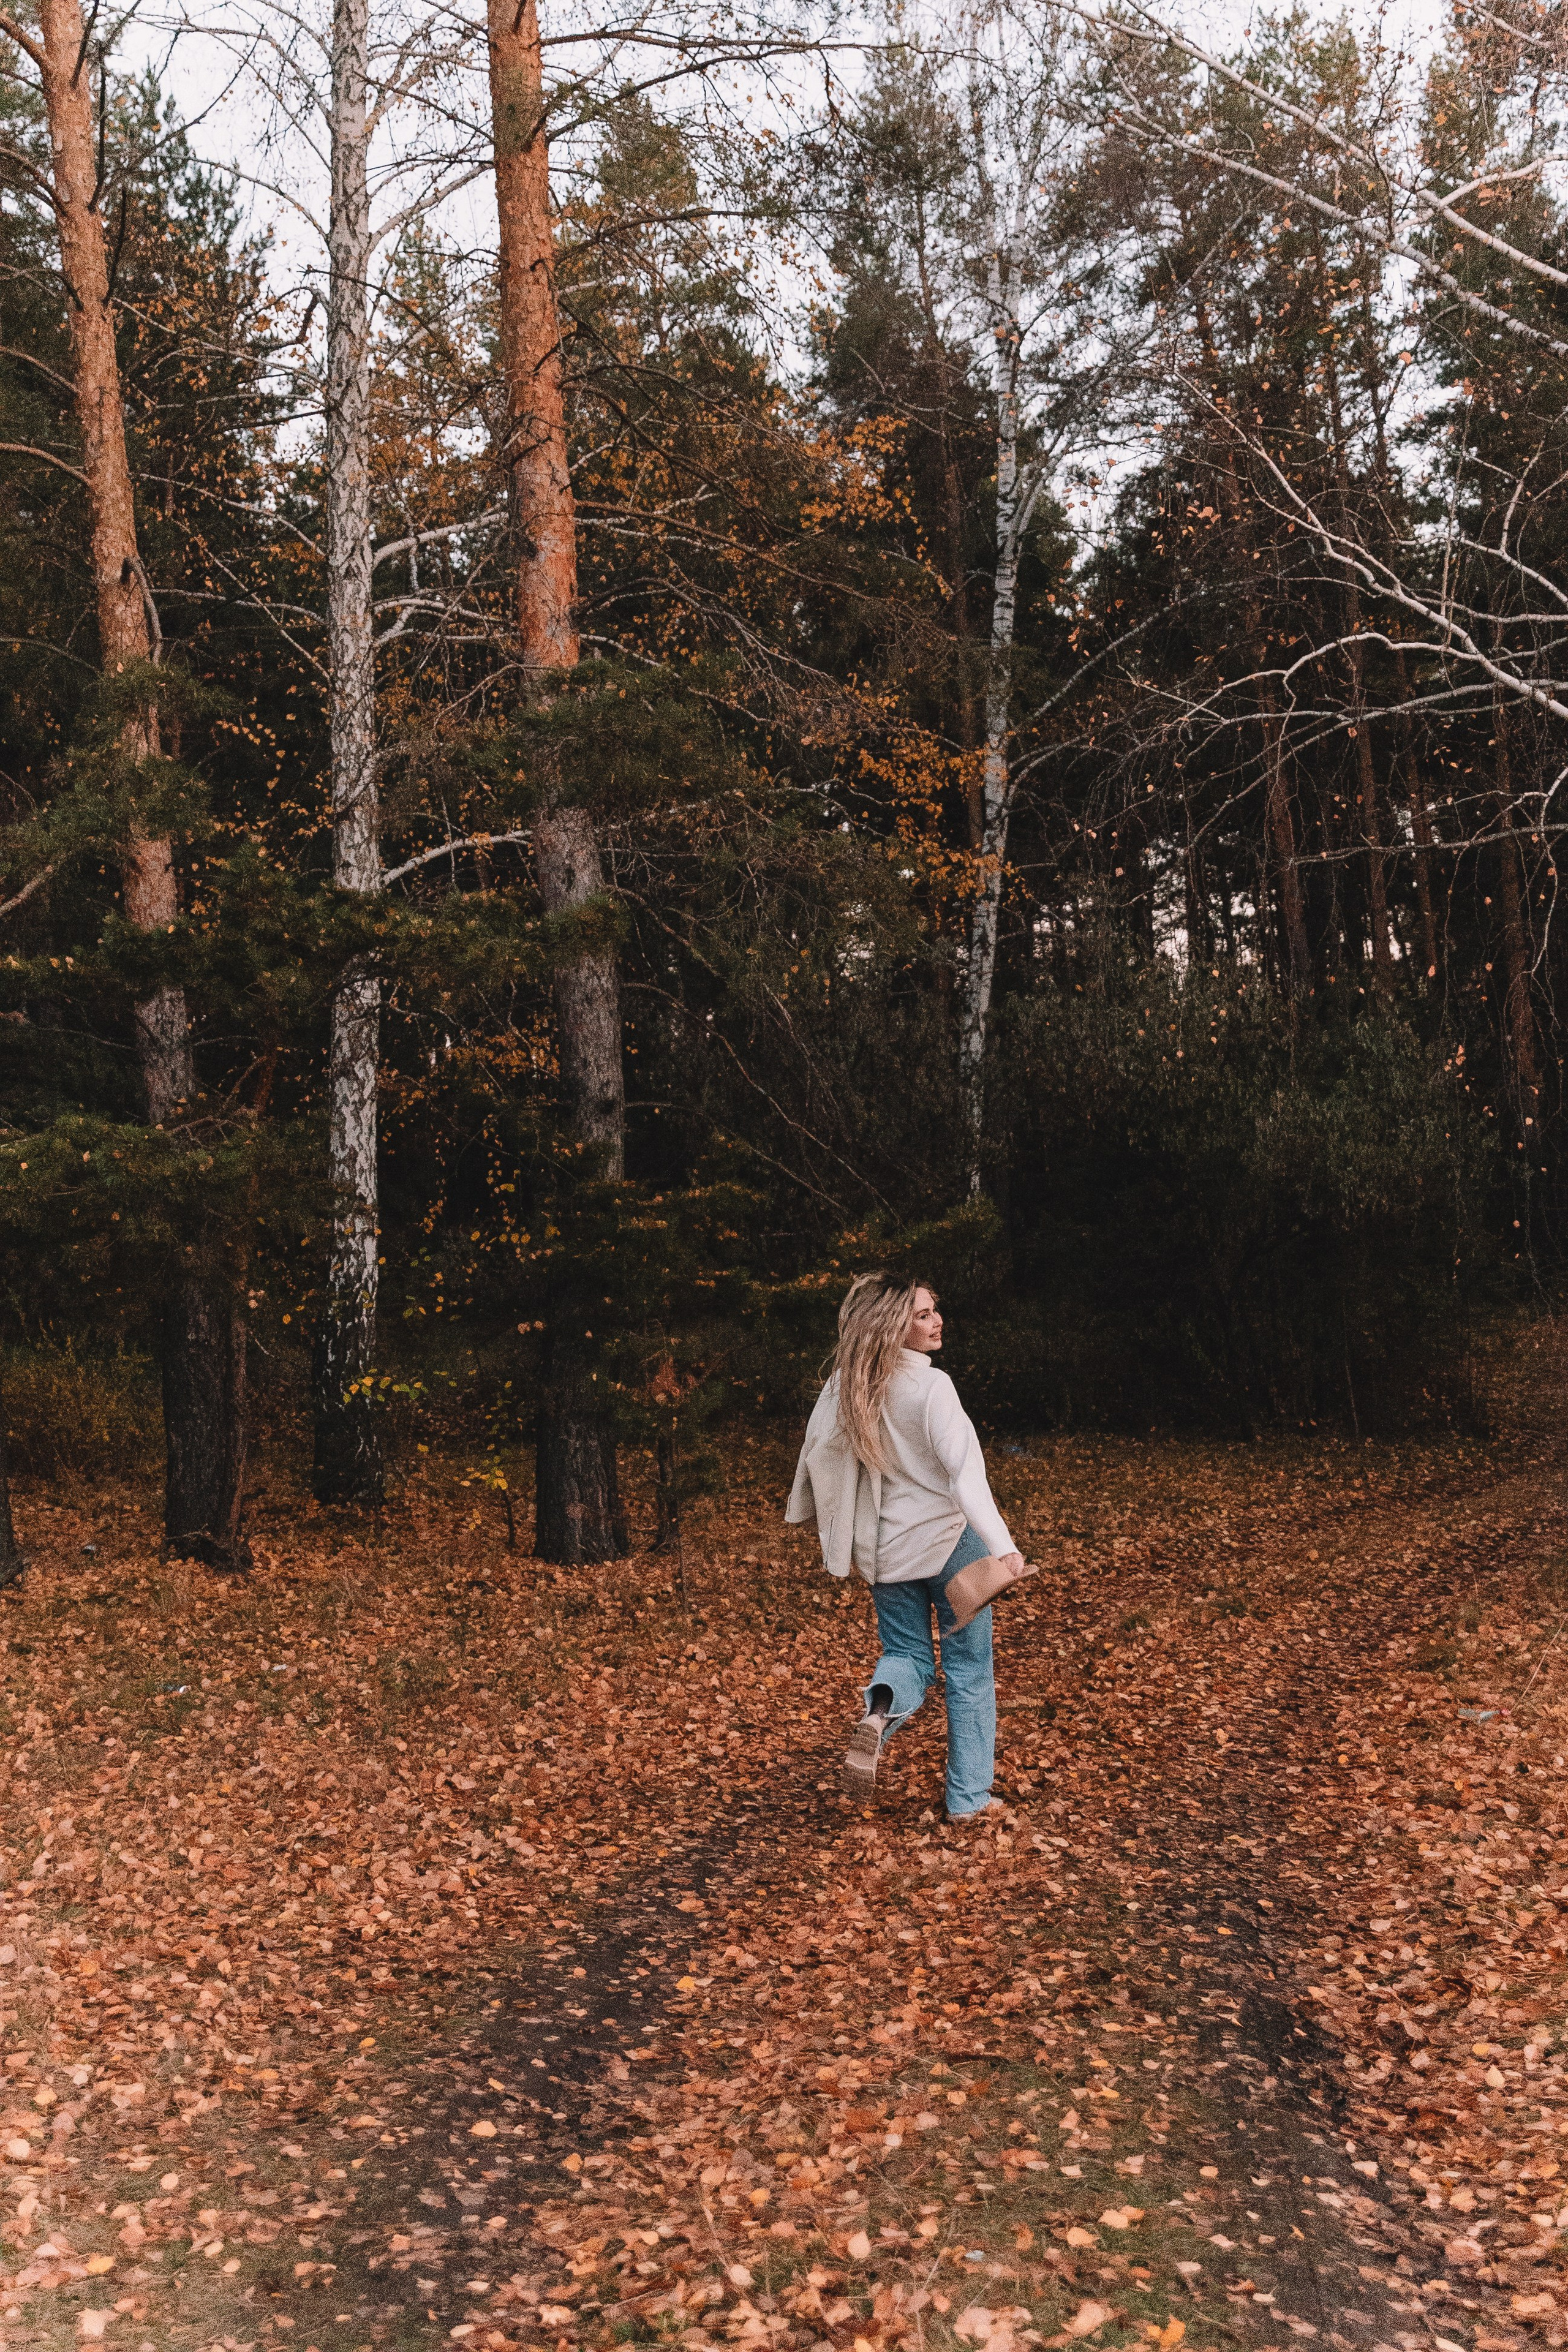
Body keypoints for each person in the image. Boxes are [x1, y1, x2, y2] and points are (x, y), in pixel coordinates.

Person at [785, 1270, 1025, 1820]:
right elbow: (967, 1477)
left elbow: (817, 1453)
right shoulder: (932, 1387)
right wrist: (1004, 1547)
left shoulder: (848, 1385)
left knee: (906, 1656)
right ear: (893, 1325)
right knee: (968, 1670)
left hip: (885, 1550)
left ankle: (878, 1713)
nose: (936, 1320)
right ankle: (967, 1800)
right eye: (921, 1315)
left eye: (935, 1309)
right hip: (948, 1543)